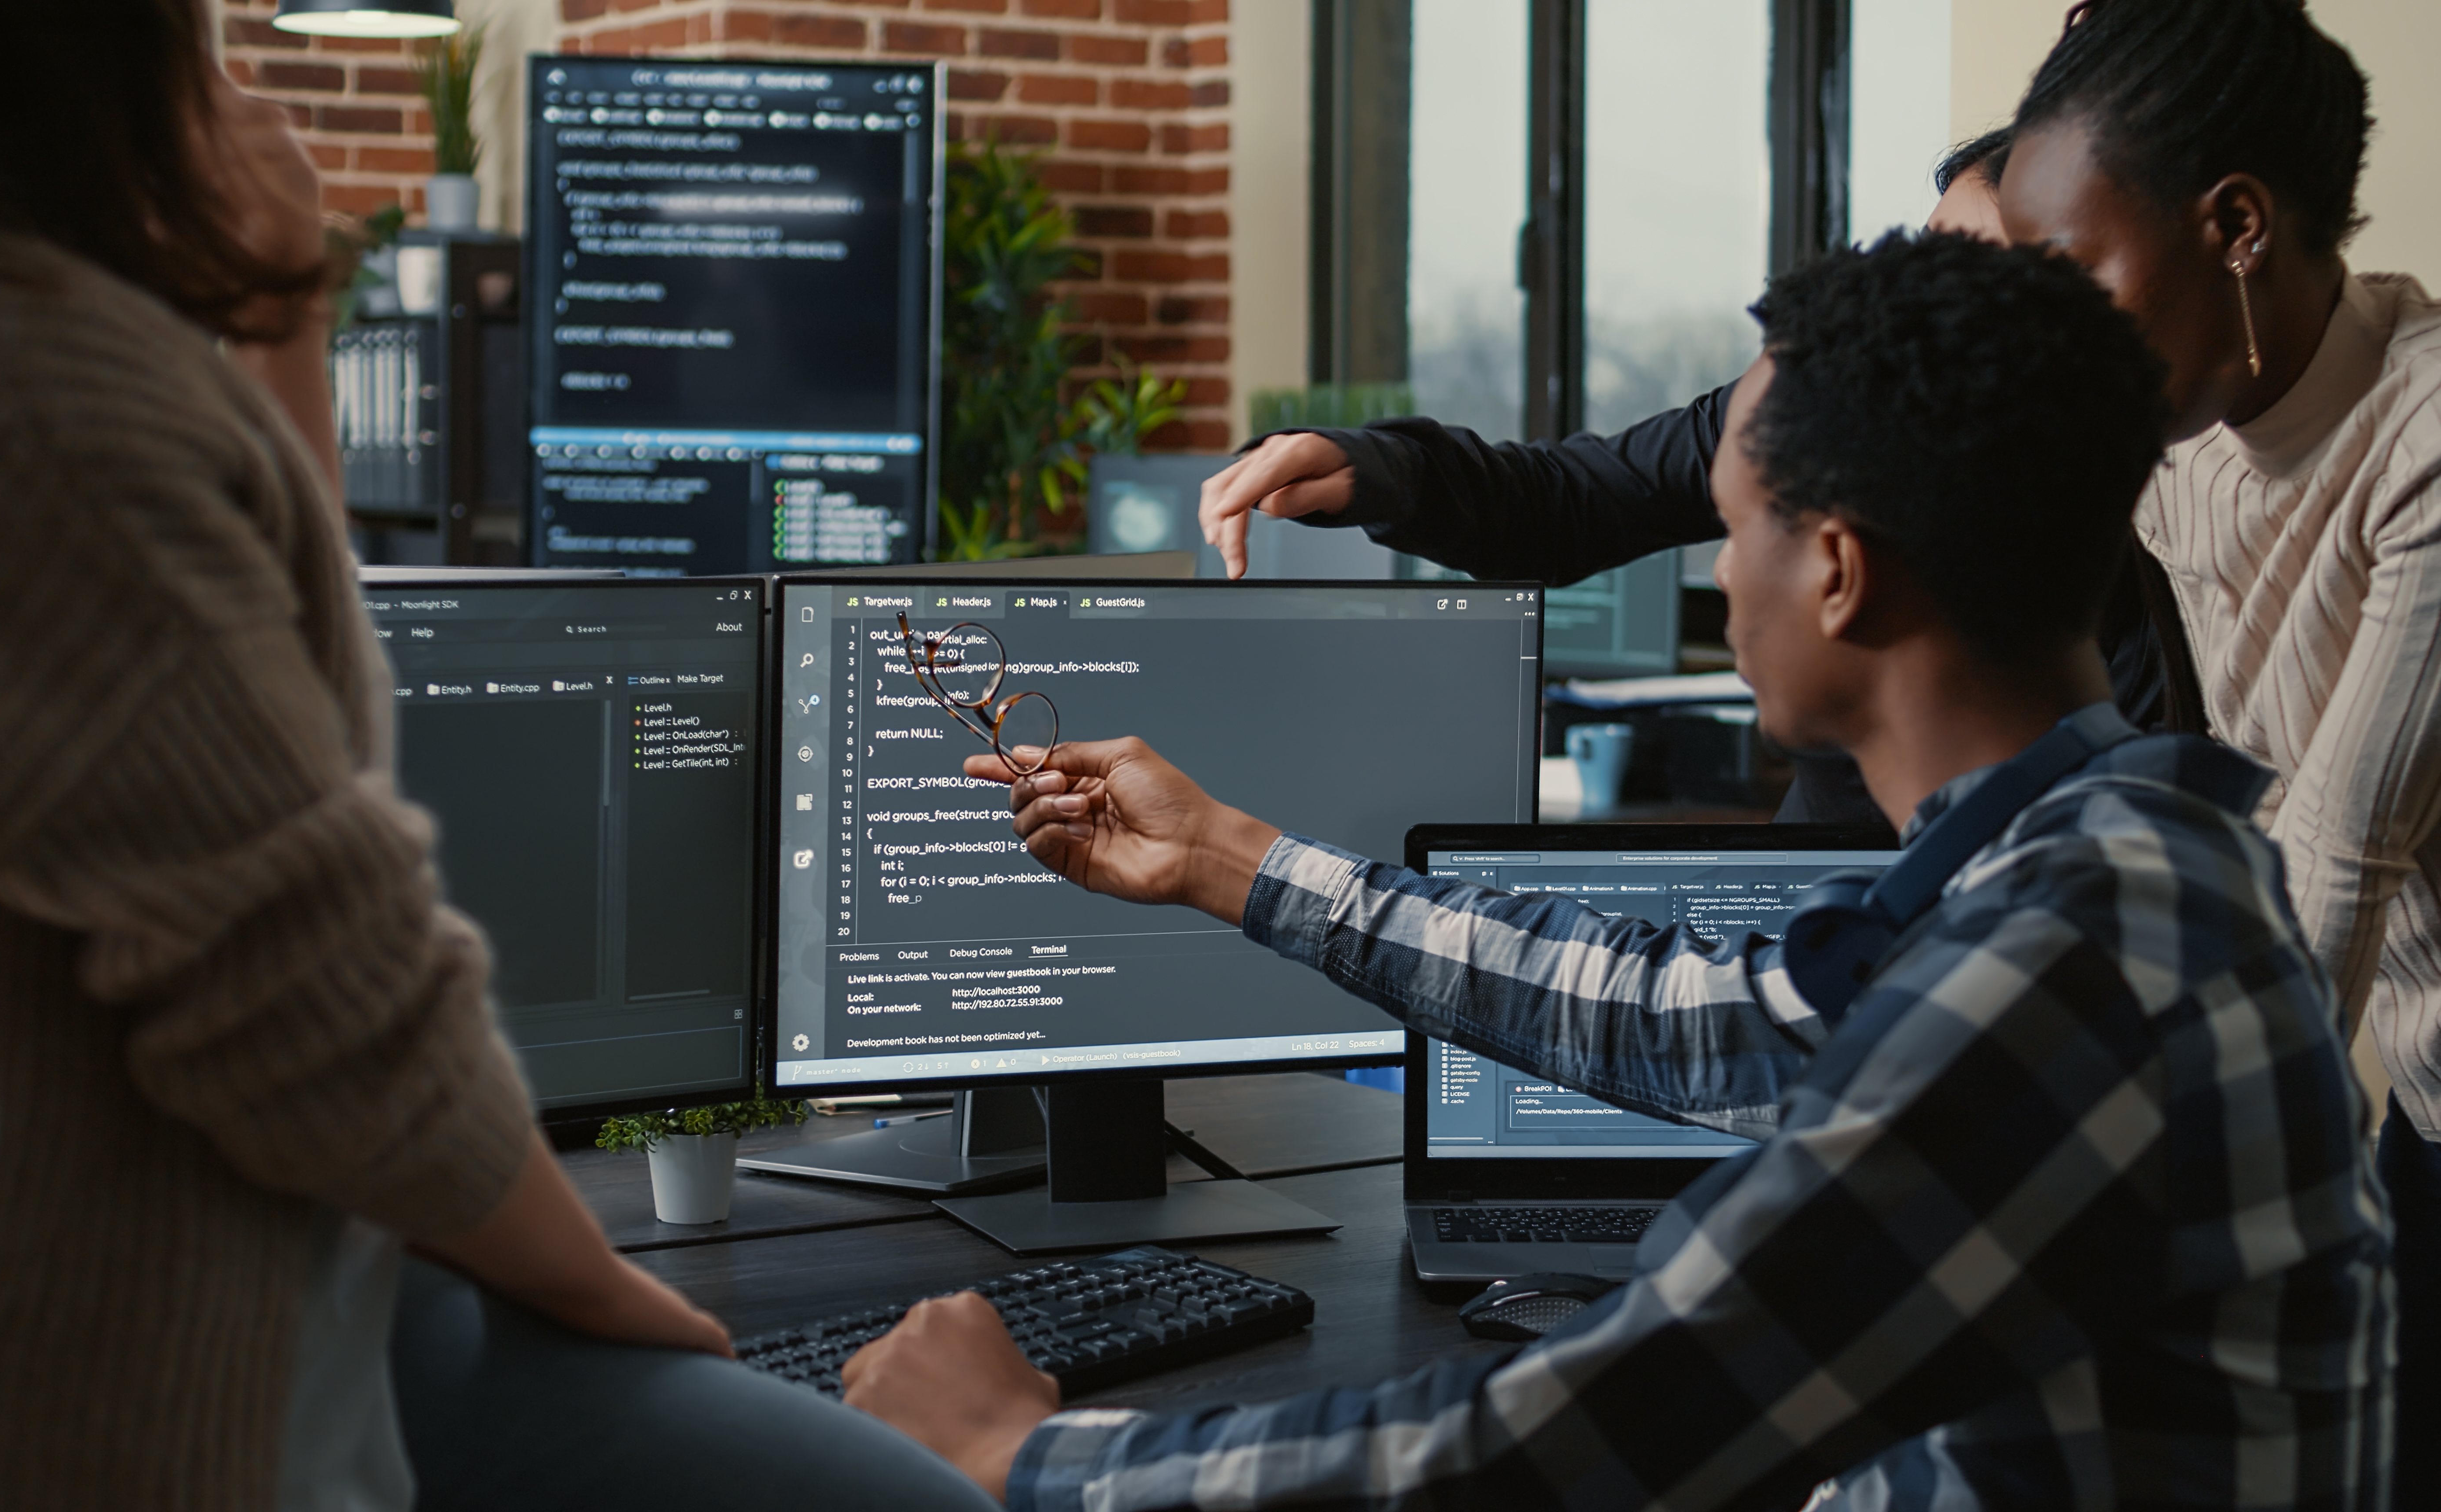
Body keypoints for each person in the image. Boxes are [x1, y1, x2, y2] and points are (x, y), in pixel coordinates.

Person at [845, 234, 2392, 1508]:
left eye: (1727, 532)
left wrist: (1023, 1454)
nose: (1716, 575)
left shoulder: (2072, 970)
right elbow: (1689, 1015)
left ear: (1838, 571)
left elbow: (1575, 1443)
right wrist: (1229, 861)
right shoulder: (2102, 864)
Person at [0, 4, 998, 1509]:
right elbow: (336, 1005)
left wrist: (275, 320)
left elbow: (285, 712)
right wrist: (620, 1304)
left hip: (209, 1282)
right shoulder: (9, 379)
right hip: (62, 1372)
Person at [1198, 130, 2198, 829]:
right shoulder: (1823, 408)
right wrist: (1378, 469)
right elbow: (1570, 498)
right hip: (1817, 918)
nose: (1923, 307)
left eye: (1977, 278)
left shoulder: (2161, 543)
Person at [1990, 0, 2441, 1480]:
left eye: (2070, 273)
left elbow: (2333, 855)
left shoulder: (2422, 434)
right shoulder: (2179, 433)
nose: (2054, 332)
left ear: (2234, 223)